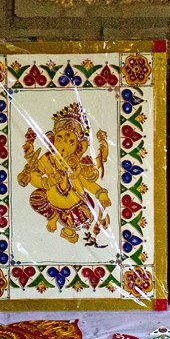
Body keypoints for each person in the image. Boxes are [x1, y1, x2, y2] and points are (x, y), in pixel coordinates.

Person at [17, 102, 110, 245]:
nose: (62, 145)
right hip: (52, 203)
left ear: (79, 147)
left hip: (75, 207)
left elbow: (88, 183)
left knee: (83, 215)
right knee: (35, 198)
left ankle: (69, 229)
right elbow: (34, 174)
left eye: (70, 142)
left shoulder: (76, 166)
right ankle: (53, 217)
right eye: (59, 139)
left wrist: (100, 193)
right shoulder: (47, 159)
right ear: (52, 140)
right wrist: (44, 182)